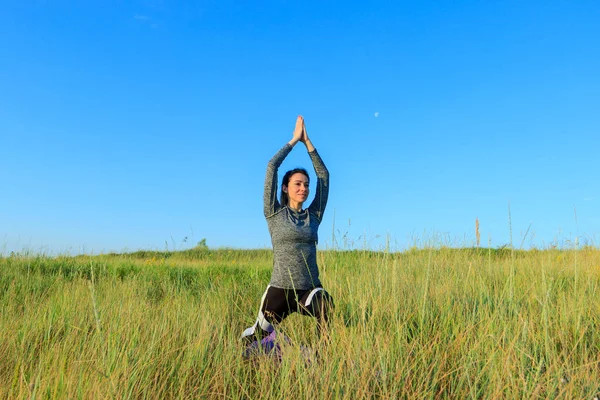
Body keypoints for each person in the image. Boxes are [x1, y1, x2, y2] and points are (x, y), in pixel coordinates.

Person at [241, 115, 334, 347]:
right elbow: (272, 166)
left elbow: (324, 176)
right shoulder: (274, 213)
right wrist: (294, 140)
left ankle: (321, 360)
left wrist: (308, 142)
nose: (303, 188)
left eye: (306, 184)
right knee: (256, 338)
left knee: (326, 306)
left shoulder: (314, 216)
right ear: (286, 187)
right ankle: (241, 348)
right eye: (298, 184)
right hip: (280, 290)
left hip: (308, 289)